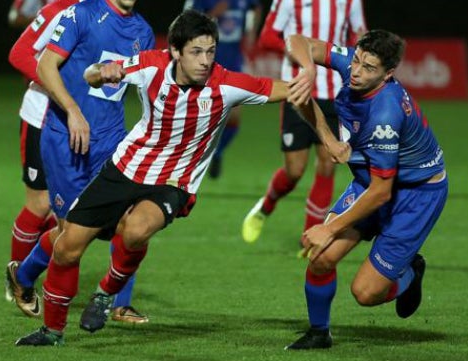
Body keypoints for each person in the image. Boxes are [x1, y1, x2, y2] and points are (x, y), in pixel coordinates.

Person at [14, 9, 349, 346]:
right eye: (196, 52)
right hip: (125, 167)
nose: (205, 61)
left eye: (211, 51)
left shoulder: (228, 85)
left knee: (136, 230)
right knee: (67, 247)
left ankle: (106, 293)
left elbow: (296, 95)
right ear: (175, 51)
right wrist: (102, 72)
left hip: (174, 182)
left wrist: (330, 139)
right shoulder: (149, 65)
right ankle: (51, 331)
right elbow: (89, 74)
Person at [282, 30, 448, 350]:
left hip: (414, 195)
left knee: (366, 294)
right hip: (370, 180)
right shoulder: (355, 65)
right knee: (321, 257)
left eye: (368, 68)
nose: (356, 71)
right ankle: (319, 333)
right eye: (356, 61)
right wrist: (309, 69)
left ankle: (410, 272)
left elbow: (381, 194)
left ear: (388, 74)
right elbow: (296, 41)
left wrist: (327, 227)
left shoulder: (385, 113)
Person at [5, 0, 155, 324]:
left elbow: (148, 85)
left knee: (132, 220)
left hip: (111, 138)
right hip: (62, 132)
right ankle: (24, 277)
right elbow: (34, 59)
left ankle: (118, 303)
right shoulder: (73, 11)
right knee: (66, 231)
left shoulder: (143, 30)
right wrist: (71, 104)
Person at [242, 0, 367, 245]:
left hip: (335, 92)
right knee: (294, 170)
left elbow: (359, 37)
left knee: (327, 164)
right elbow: (267, 38)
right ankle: (266, 206)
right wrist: (303, 54)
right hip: (298, 88)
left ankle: (309, 238)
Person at [4, 0, 74, 307]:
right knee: (40, 202)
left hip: (79, 123)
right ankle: (19, 281)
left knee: (67, 208)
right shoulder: (60, 8)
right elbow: (19, 53)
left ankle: (46, 280)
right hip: (41, 117)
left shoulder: (113, 15)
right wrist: (57, 84)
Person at [184, 0, 263, 179]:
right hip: (207, 64)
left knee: (234, 120)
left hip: (233, 64)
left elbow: (257, 7)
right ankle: (189, 161)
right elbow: (190, 26)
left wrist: (252, 31)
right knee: (201, 117)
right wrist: (213, 14)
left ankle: (216, 153)